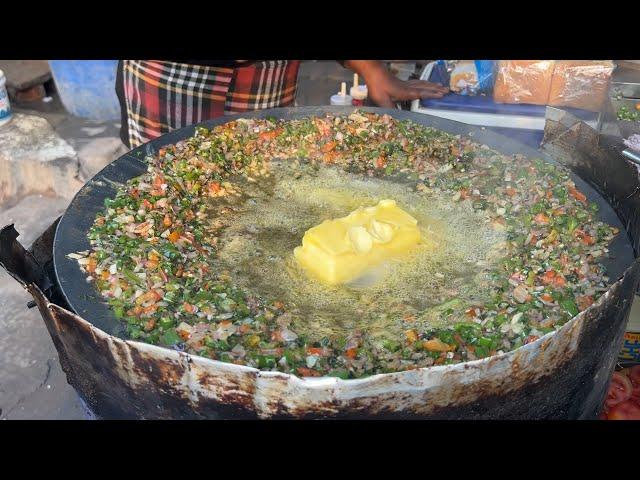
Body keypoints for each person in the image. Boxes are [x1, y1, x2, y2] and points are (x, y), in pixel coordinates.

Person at [115, 60, 449, 148]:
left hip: (267, 81)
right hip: (180, 82)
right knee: (175, 203)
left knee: (264, 186)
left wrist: (371, 69)